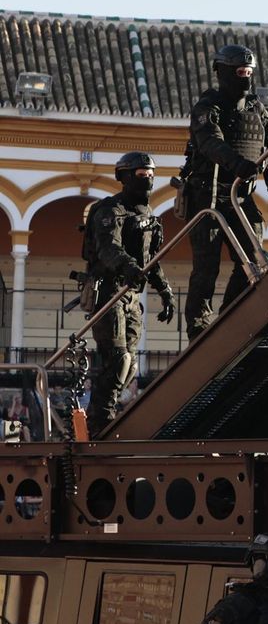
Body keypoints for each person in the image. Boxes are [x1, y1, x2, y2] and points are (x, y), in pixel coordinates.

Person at [181, 45, 268, 337]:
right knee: (206, 269)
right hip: (207, 197)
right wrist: (237, 163)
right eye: (238, 71)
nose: (245, 76)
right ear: (222, 72)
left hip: (242, 198)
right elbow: (210, 143)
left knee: (255, 260)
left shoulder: (258, 110)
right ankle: (198, 328)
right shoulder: (208, 108)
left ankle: (229, 316)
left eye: (248, 71)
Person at [80, 151, 176, 436]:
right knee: (117, 358)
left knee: (131, 364)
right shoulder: (110, 210)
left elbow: (152, 260)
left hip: (132, 295)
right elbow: (108, 248)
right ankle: (100, 419)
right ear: (123, 177)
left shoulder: (149, 217)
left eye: (150, 174)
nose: (147, 179)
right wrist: (129, 266)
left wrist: (165, 291)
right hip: (109, 291)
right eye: (140, 174)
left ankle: (107, 412)